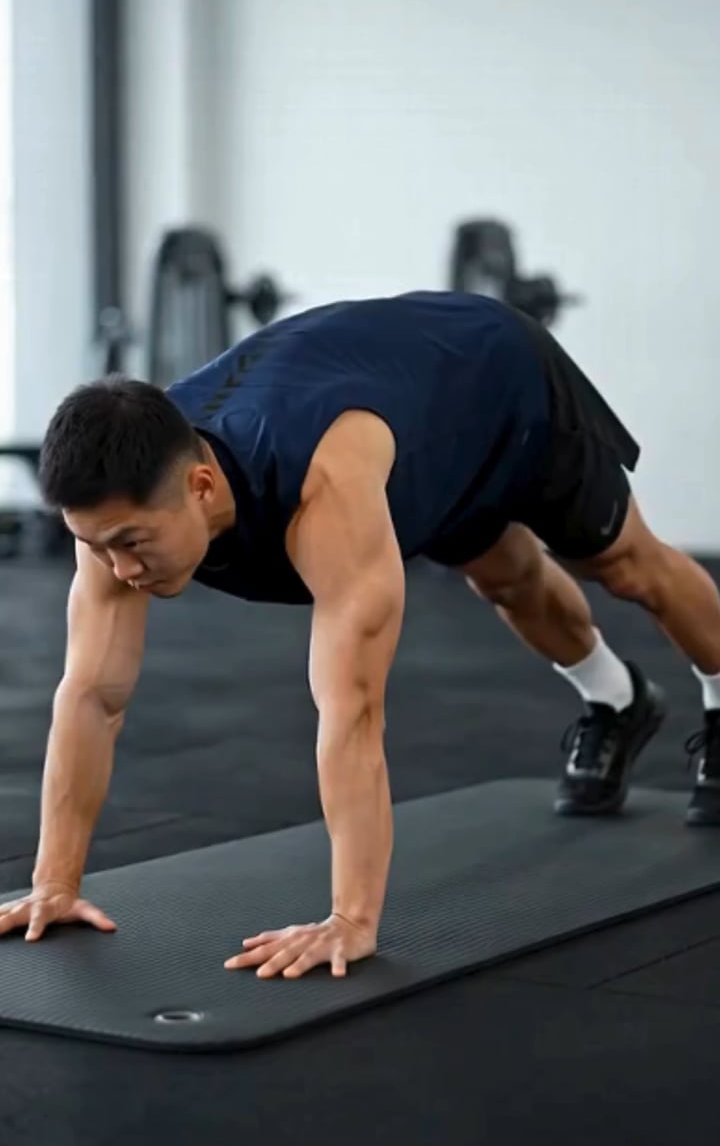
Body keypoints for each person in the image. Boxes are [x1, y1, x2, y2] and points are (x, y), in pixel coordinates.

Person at [1, 290, 719, 980]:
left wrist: (351, 919)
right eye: (96, 547)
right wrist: (55, 883)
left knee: (625, 567)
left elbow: (352, 709)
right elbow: (91, 695)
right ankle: (619, 702)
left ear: (201, 488)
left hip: (498, 378)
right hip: (414, 416)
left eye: (131, 544)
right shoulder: (115, 506)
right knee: (506, 579)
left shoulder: (325, 487)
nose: (119, 570)